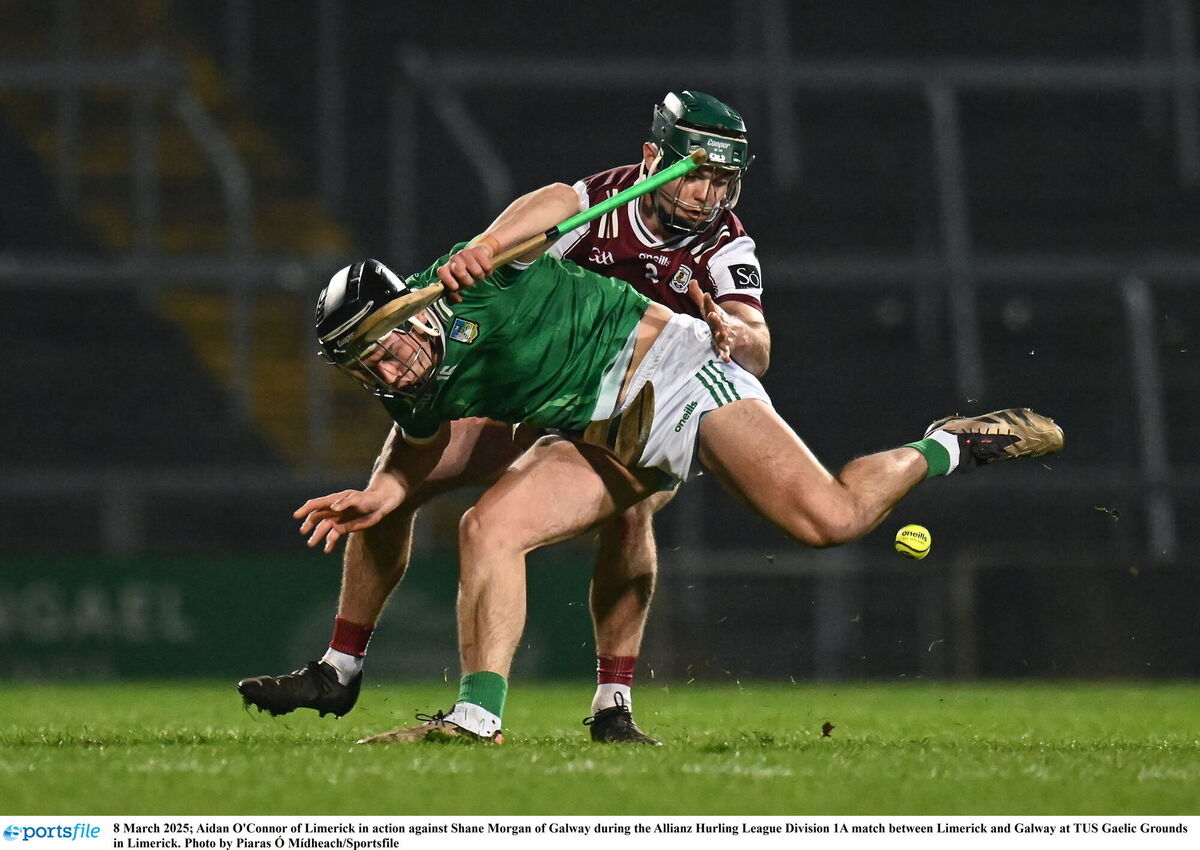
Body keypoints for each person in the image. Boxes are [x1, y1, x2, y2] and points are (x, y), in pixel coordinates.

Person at [292, 232, 1063, 743]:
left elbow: (563, 197)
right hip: (597, 427)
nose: (386, 372)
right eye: (366, 367)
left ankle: (943, 445)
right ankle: (476, 718)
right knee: (486, 530)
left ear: (410, 311)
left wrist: (495, 240)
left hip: (681, 379)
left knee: (832, 518)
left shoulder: (480, 281)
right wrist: (387, 496)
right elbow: (420, 449)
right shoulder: (401, 380)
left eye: (384, 350)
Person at [237, 91, 769, 744]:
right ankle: (339, 667)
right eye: (696, 174)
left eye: (722, 179)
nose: (706, 194)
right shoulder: (600, 206)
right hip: (542, 388)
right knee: (396, 476)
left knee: (629, 513)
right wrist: (491, 247)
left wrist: (735, 336)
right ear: (655, 159)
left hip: (641, 405)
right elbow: (543, 215)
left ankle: (613, 705)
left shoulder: (726, 247)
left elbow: (756, 339)